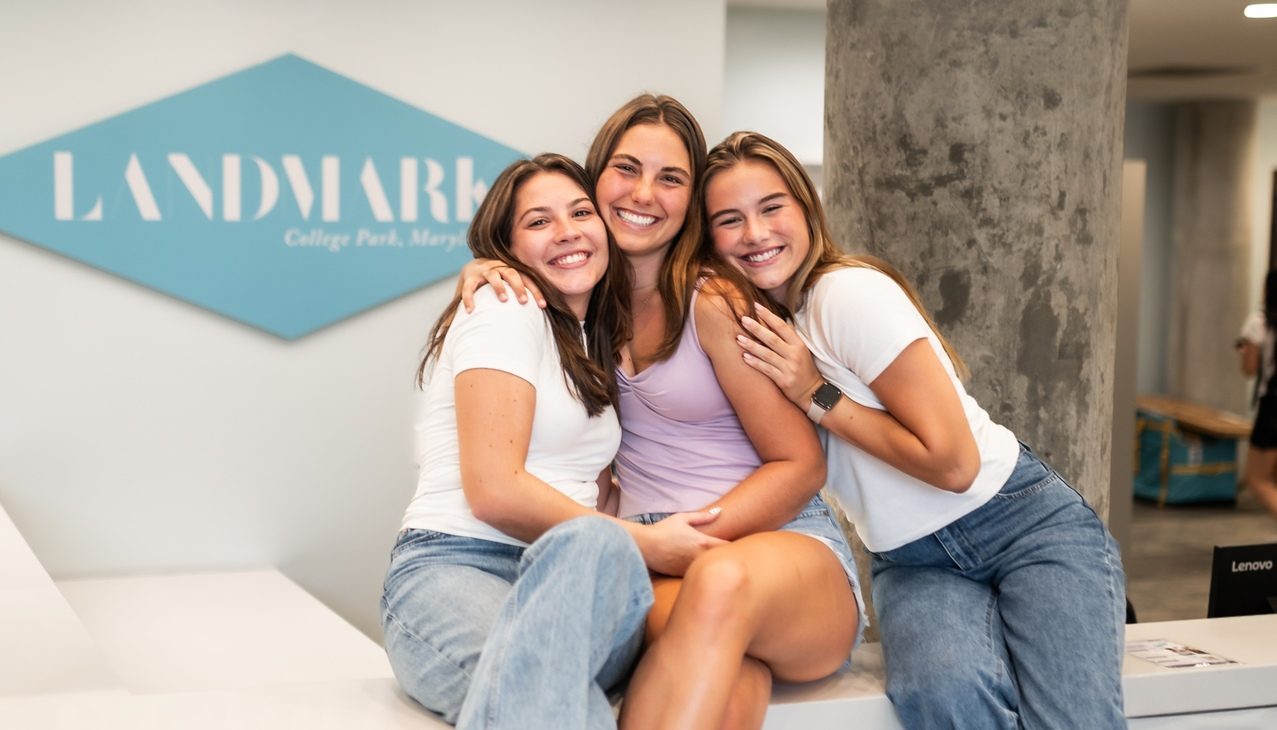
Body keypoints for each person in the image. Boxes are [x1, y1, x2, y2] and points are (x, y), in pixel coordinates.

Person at [458, 95, 863, 730]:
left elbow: (801, 464)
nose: (644, 193)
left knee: (722, 585)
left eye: (670, 177)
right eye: (626, 169)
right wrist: (491, 267)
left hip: (780, 552)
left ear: (691, 199)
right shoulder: (579, 309)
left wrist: (683, 541)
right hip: (659, 559)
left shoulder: (714, 300)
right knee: (730, 674)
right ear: (596, 178)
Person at [703, 130, 1126, 729]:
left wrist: (815, 394)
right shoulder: (766, 322)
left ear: (806, 207)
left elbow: (954, 466)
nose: (755, 233)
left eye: (771, 207)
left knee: (1072, 720)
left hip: (1018, 522)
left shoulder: (843, 293)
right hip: (910, 559)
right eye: (729, 219)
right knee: (947, 705)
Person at [380, 153, 727, 730]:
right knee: (563, 662)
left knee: (594, 552)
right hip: (460, 564)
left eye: (581, 212)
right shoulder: (503, 307)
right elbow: (493, 491)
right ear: (508, 250)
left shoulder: (593, 335)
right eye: (538, 222)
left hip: (573, 579)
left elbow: (592, 493)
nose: (567, 232)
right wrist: (648, 544)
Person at [1237, 270, 1277, 519]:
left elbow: (1249, 370)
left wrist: (1245, 353)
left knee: (1256, 480)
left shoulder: (1259, 322)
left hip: (1272, 407)